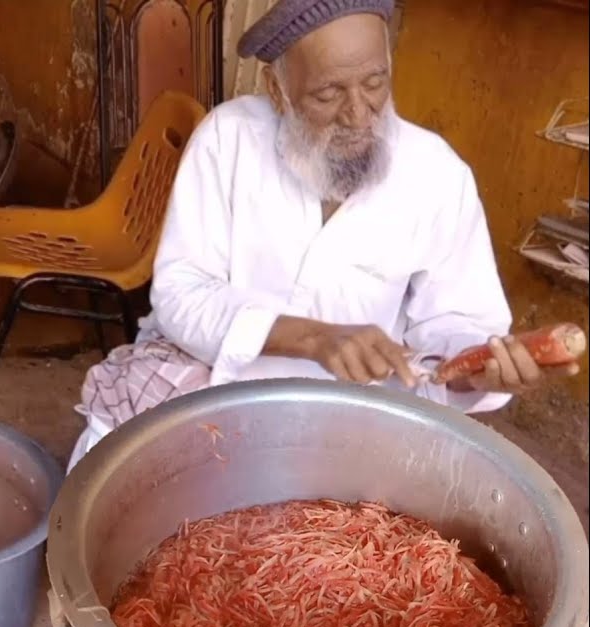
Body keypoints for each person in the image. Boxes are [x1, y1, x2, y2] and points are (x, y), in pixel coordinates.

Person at [67, 0, 580, 472]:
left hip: (352, 408)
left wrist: (481, 369)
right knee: (107, 473)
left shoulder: (438, 176)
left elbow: (455, 326)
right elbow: (180, 296)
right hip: (215, 376)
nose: (358, 114)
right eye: (328, 93)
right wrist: (314, 338)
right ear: (277, 89)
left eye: (375, 83)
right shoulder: (228, 141)